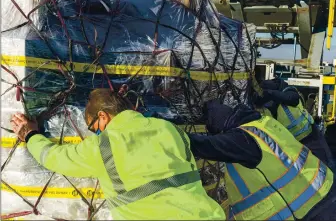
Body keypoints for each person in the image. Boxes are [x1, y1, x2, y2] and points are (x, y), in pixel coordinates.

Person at [10, 88, 225, 220]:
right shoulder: (170, 129)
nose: (94, 133)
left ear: (102, 117)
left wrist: (30, 135)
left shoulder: (105, 146)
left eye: (92, 128)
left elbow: (54, 157)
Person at [188, 99, 336, 220]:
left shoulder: (242, 140)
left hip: (310, 211)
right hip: (328, 195)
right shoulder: (264, 123)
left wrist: (172, 132)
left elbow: (203, 146)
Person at [254, 78, 336, 173]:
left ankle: (331, 181)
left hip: (310, 135)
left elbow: (292, 98)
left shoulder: (288, 92)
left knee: (323, 164)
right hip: (293, 142)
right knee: (304, 167)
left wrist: (270, 94)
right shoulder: (264, 107)